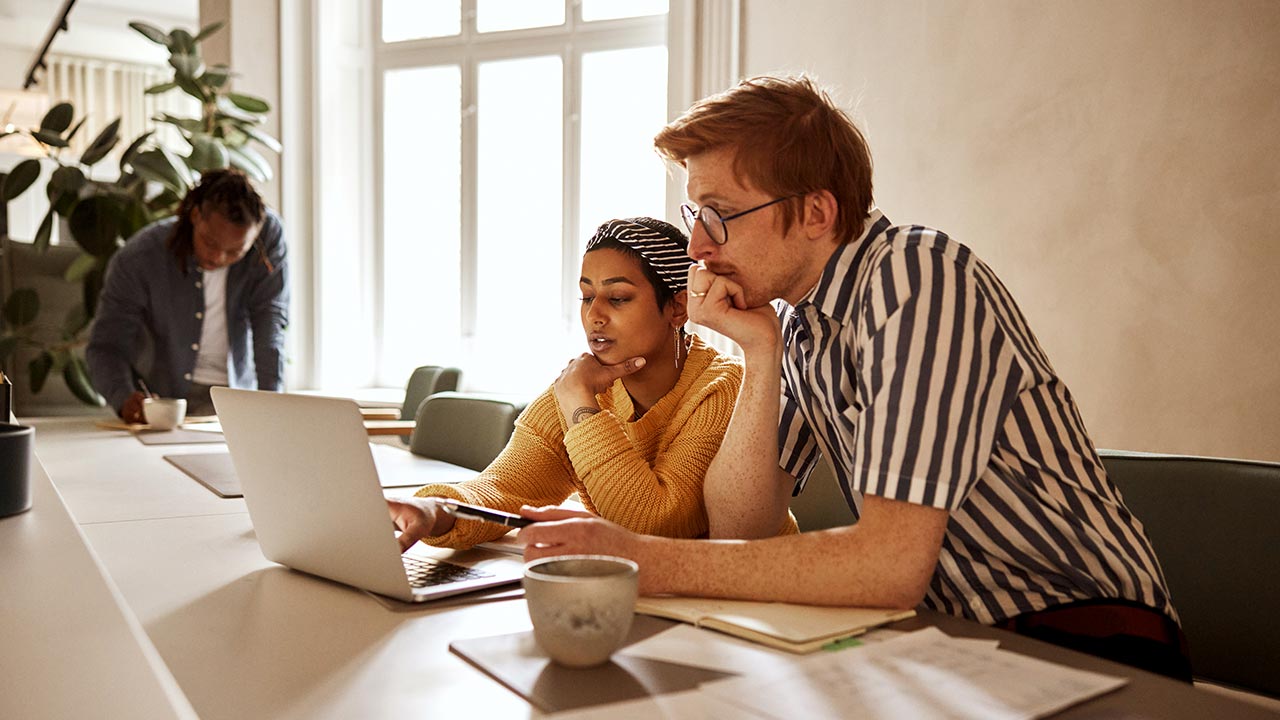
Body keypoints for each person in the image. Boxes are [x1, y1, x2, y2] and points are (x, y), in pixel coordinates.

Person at [517, 76, 1191, 681]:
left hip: (1089, 636)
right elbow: (741, 522)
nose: (696, 248)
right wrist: (759, 352)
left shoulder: (918, 277)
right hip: (954, 641)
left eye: (718, 215)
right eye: (696, 216)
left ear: (816, 213)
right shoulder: (802, 322)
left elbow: (887, 566)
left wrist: (639, 558)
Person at [387, 217, 797, 550]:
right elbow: (504, 488)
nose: (594, 315)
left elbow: (656, 523)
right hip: (651, 594)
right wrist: (434, 510)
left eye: (617, 298)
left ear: (677, 307)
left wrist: (581, 406)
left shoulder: (723, 387)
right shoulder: (576, 386)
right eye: (587, 297)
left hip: (751, 603)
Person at [87, 168, 288, 421]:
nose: (218, 257)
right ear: (195, 215)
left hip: (235, 399)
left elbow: (270, 319)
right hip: (162, 405)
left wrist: (274, 405)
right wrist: (124, 396)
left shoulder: (269, 237)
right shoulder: (139, 258)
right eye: (210, 242)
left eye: (235, 251)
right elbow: (106, 346)